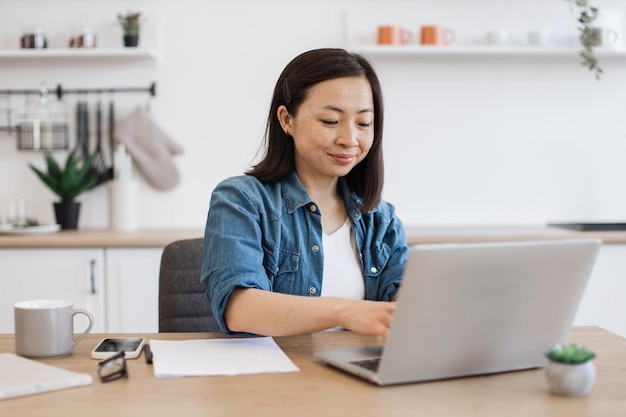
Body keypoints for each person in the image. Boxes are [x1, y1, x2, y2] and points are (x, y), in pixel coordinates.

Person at [201, 48, 409, 338]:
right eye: (330, 121)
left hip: (357, 377)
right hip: (275, 378)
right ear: (287, 120)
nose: (349, 139)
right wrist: (344, 311)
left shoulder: (381, 219)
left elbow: (405, 299)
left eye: (363, 123)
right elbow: (239, 308)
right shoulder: (240, 200)